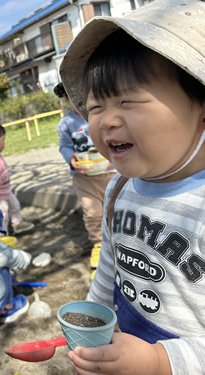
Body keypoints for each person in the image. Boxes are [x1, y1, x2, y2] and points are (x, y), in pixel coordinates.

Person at [59, 1, 205, 374]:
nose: (107, 120)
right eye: (94, 107)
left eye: (128, 100)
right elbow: (109, 272)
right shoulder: (120, 190)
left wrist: (160, 361)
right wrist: (89, 334)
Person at [54, 82, 116, 277]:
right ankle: (98, 243)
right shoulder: (66, 123)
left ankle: (119, 240)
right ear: (65, 99)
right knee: (92, 212)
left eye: (79, 95)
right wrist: (70, 158)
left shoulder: (102, 115)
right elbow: (64, 146)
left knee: (115, 208)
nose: (76, 102)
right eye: (70, 98)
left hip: (111, 172)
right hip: (84, 178)